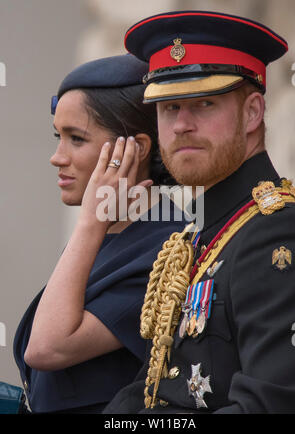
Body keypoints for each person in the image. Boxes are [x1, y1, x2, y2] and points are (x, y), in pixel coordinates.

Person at [103, 11, 295, 414]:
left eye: (204, 103)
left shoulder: (278, 231)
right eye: (169, 107)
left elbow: (270, 405)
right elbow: (150, 388)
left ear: (252, 113)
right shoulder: (197, 236)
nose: (181, 125)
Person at [13, 54, 187, 414]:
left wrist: (91, 221)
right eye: (57, 136)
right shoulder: (113, 229)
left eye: (76, 139)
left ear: (135, 149)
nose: (56, 157)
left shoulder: (166, 248)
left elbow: (46, 348)